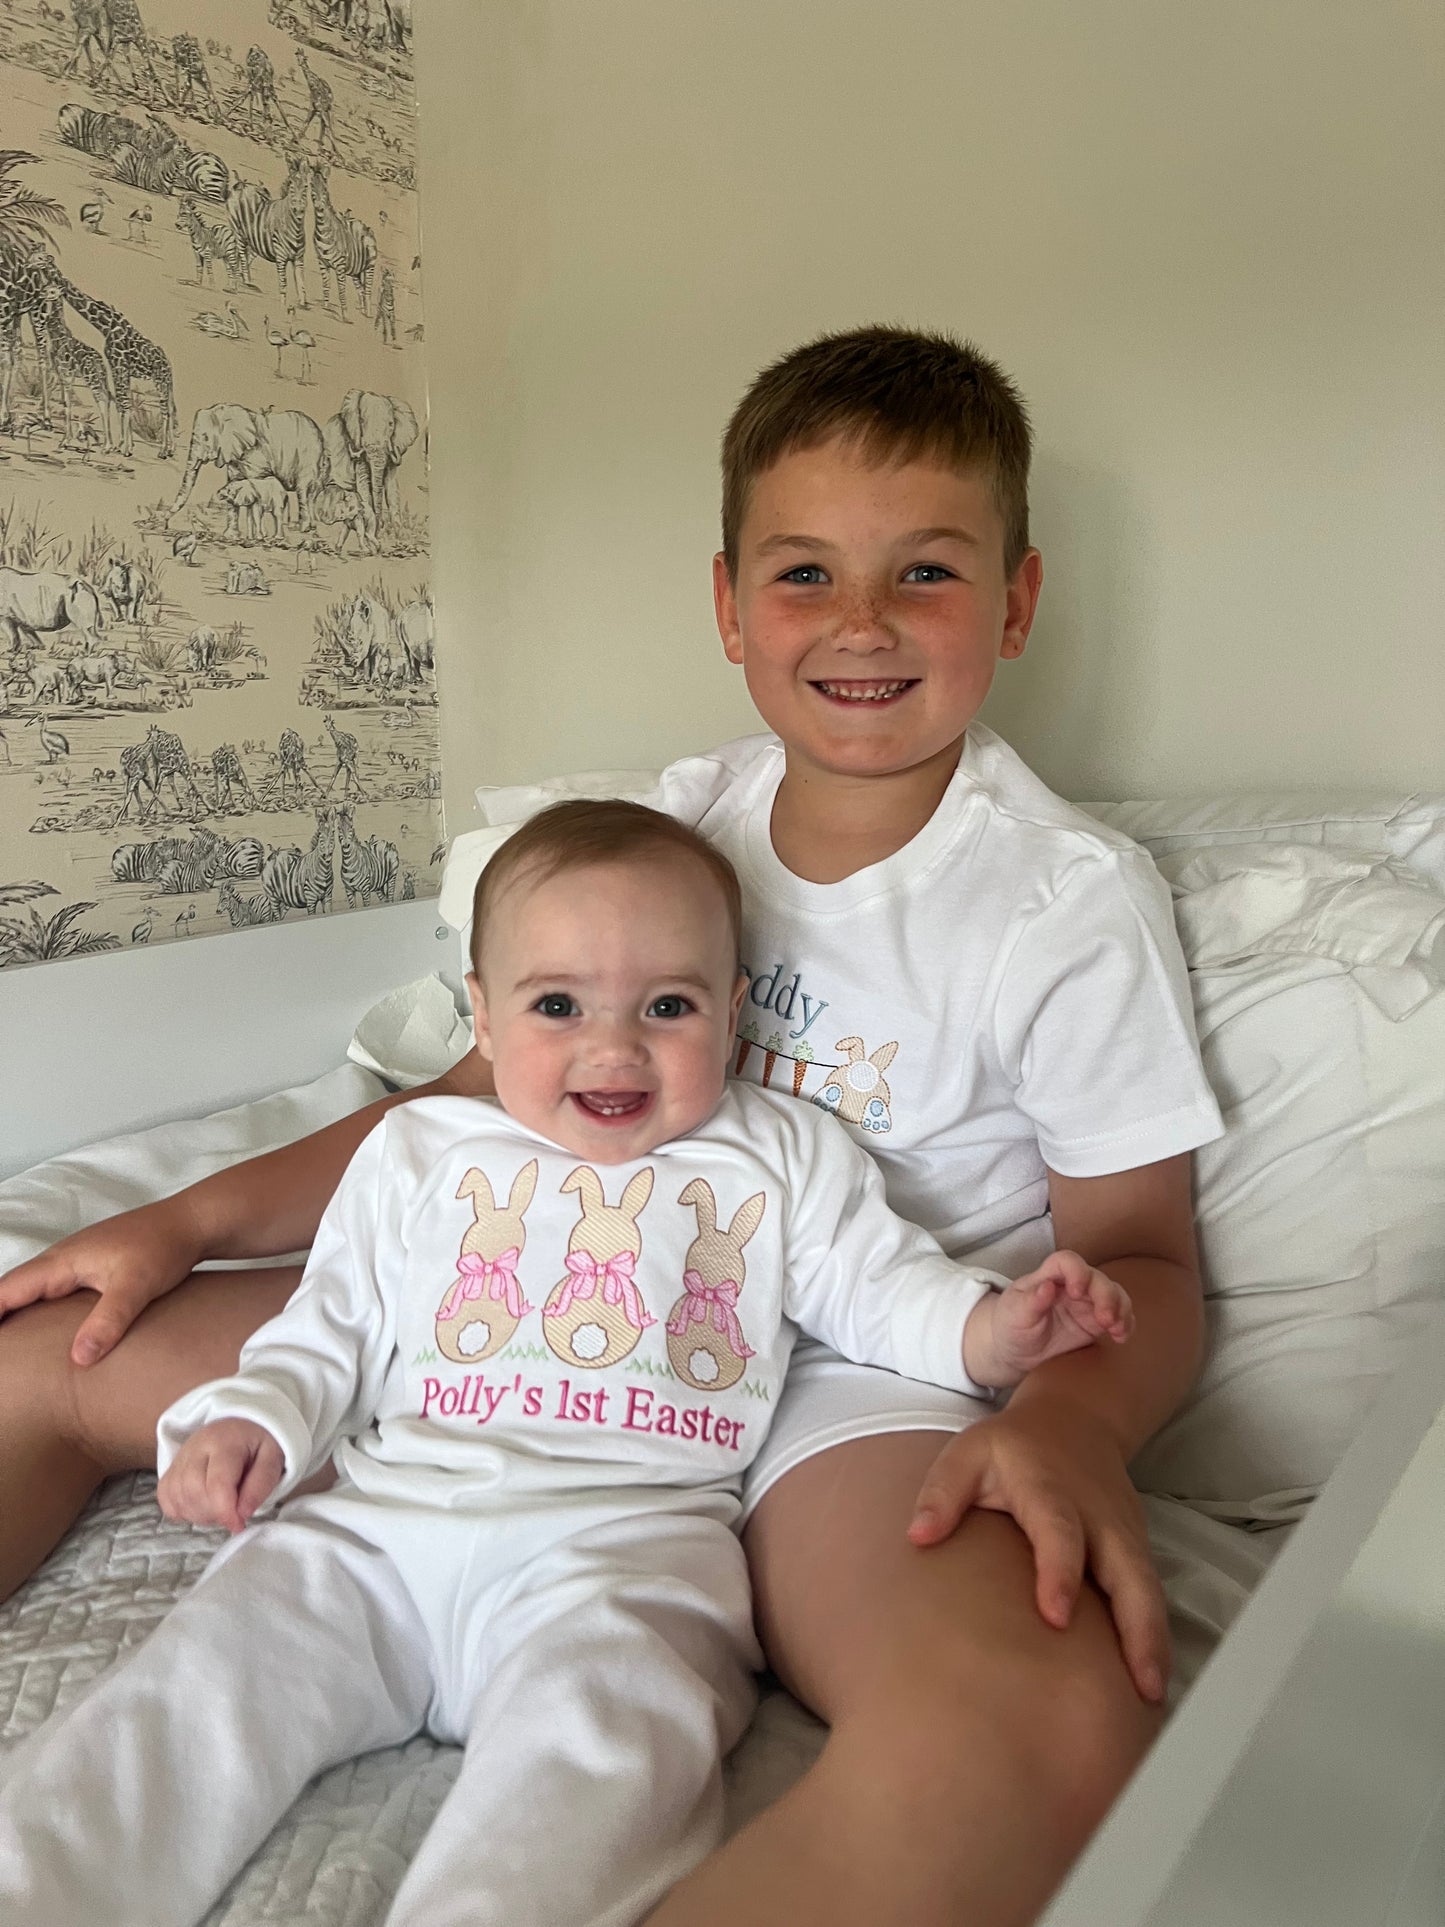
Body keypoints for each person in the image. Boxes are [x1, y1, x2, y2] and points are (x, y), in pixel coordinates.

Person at [0, 324, 1222, 1926]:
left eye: (924, 571)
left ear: (1015, 598)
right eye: (802, 575)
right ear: (728, 604)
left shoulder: (1057, 899)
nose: (860, 623)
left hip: (866, 1365)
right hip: (516, 1313)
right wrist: (184, 1223)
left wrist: (1068, 1418)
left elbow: (1139, 1252)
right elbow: (455, 1104)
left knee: (1050, 1724)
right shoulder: (682, 822)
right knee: (45, 1346)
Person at [0, 803, 1136, 1927]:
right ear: (482, 1020)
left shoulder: (778, 1154)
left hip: (624, 1554)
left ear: (732, 1015)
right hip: (381, 1533)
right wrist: (258, 1419)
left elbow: (883, 1293)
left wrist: (995, 1332)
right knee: (184, 1700)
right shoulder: (417, 1151)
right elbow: (330, 1316)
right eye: (558, 1005)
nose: (612, 1046)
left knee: (598, 1762)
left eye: (667, 1006)